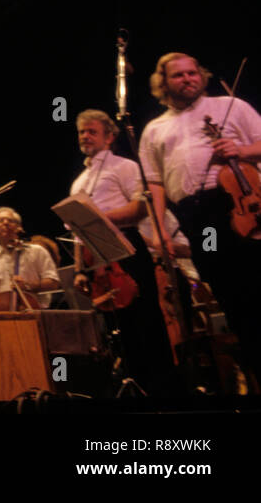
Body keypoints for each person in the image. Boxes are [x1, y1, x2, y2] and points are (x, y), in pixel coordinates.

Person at [138, 52, 261, 380]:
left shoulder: (228, 105)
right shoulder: (154, 130)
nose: (188, 79)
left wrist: (241, 150)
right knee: (229, 292)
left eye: (193, 73)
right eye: (178, 75)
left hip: (236, 201)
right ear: (163, 84)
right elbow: (154, 182)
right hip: (195, 216)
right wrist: (161, 228)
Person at [69, 109, 179, 395]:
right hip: (96, 254)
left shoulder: (125, 166)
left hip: (126, 247)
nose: (85, 136)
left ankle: (163, 389)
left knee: (145, 320)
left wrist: (100, 217)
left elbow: (139, 208)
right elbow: (77, 232)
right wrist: (80, 269)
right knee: (119, 327)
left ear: (110, 136)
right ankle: (135, 386)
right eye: (82, 132)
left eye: (92, 131)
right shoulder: (79, 181)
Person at [0, 207, 59, 310]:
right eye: (0, 221)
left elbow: (53, 283)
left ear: (19, 227)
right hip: (4, 316)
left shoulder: (37, 251)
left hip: (37, 312)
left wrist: (27, 285)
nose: (5, 223)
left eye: (11, 221)